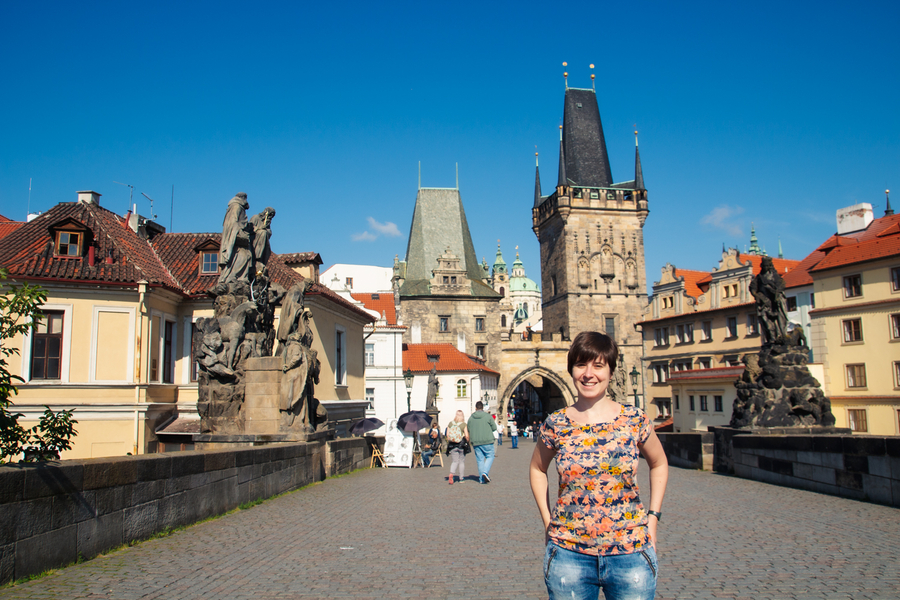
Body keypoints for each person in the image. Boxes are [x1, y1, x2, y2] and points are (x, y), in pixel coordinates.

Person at [530, 331, 669, 600]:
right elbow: (537, 469)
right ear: (571, 370)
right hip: (570, 554)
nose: (588, 374)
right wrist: (548, 522)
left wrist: (653, 517)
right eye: (581, 365)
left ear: (611, 371)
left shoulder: (634, 420)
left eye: (598, 365)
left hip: (631, 551)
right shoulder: (556, 424)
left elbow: (659, 462)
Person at [467, 401, 497, 484]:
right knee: (490, 456)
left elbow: (468, 428)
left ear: (475, 408)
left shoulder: (471, 418)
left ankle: (481, 479)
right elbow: (494, 428)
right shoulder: (488, 416)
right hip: (487, 440)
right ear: (482, 408)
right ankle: (485, 472)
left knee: (480, 460)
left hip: (476, 441)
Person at [445, 410, 469, 484]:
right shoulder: (463, 424)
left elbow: (447, 435)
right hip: (461, 445)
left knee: (455, 461)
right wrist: (467, 441)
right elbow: (467, 435)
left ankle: (451, 473)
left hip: (452, 445)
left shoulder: (451, 423)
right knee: (461, 462)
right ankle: (461, 478)